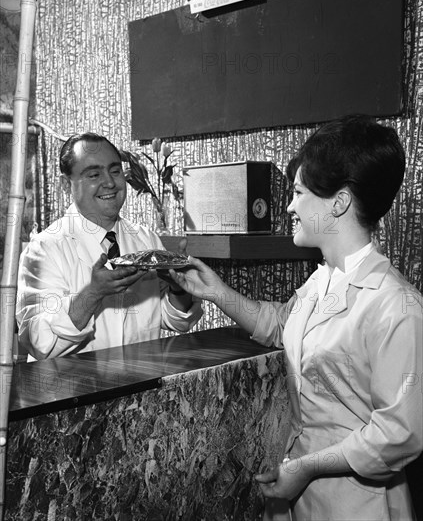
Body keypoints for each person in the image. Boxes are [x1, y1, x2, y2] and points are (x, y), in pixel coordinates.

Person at [168, 115, 423, 520]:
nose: (289, 205)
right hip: (302, 494)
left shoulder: (395, 305)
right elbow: (281, 325)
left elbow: (399, 434)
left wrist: (305, 467)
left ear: (338, 202)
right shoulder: (323, 280)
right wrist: (216, 292)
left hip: (359, 503)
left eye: (299, 192)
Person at [16, 132, 202, 360]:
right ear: (66, 185)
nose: (110, 183)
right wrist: (92, 293)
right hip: (74, 390)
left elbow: (175, 321)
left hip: (140, 383)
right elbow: (37, 342)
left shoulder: (146, 239)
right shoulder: (44, 249)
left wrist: (179, 286)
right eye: (94, 174)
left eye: (115, 171)